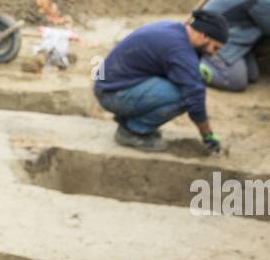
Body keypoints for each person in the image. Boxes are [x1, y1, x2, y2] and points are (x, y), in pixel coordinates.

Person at [94, 10, 229, 153]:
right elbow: (194, 97)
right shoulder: (179, 49)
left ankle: (130, 119)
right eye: (215, 47)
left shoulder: (173, 29)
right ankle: (131, 131)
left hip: (112, 86)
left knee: (189, 82)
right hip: (113, 94)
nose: (213, 53)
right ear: (203, 36)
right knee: (186, 95)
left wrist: (194, 67)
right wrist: (207, 135)